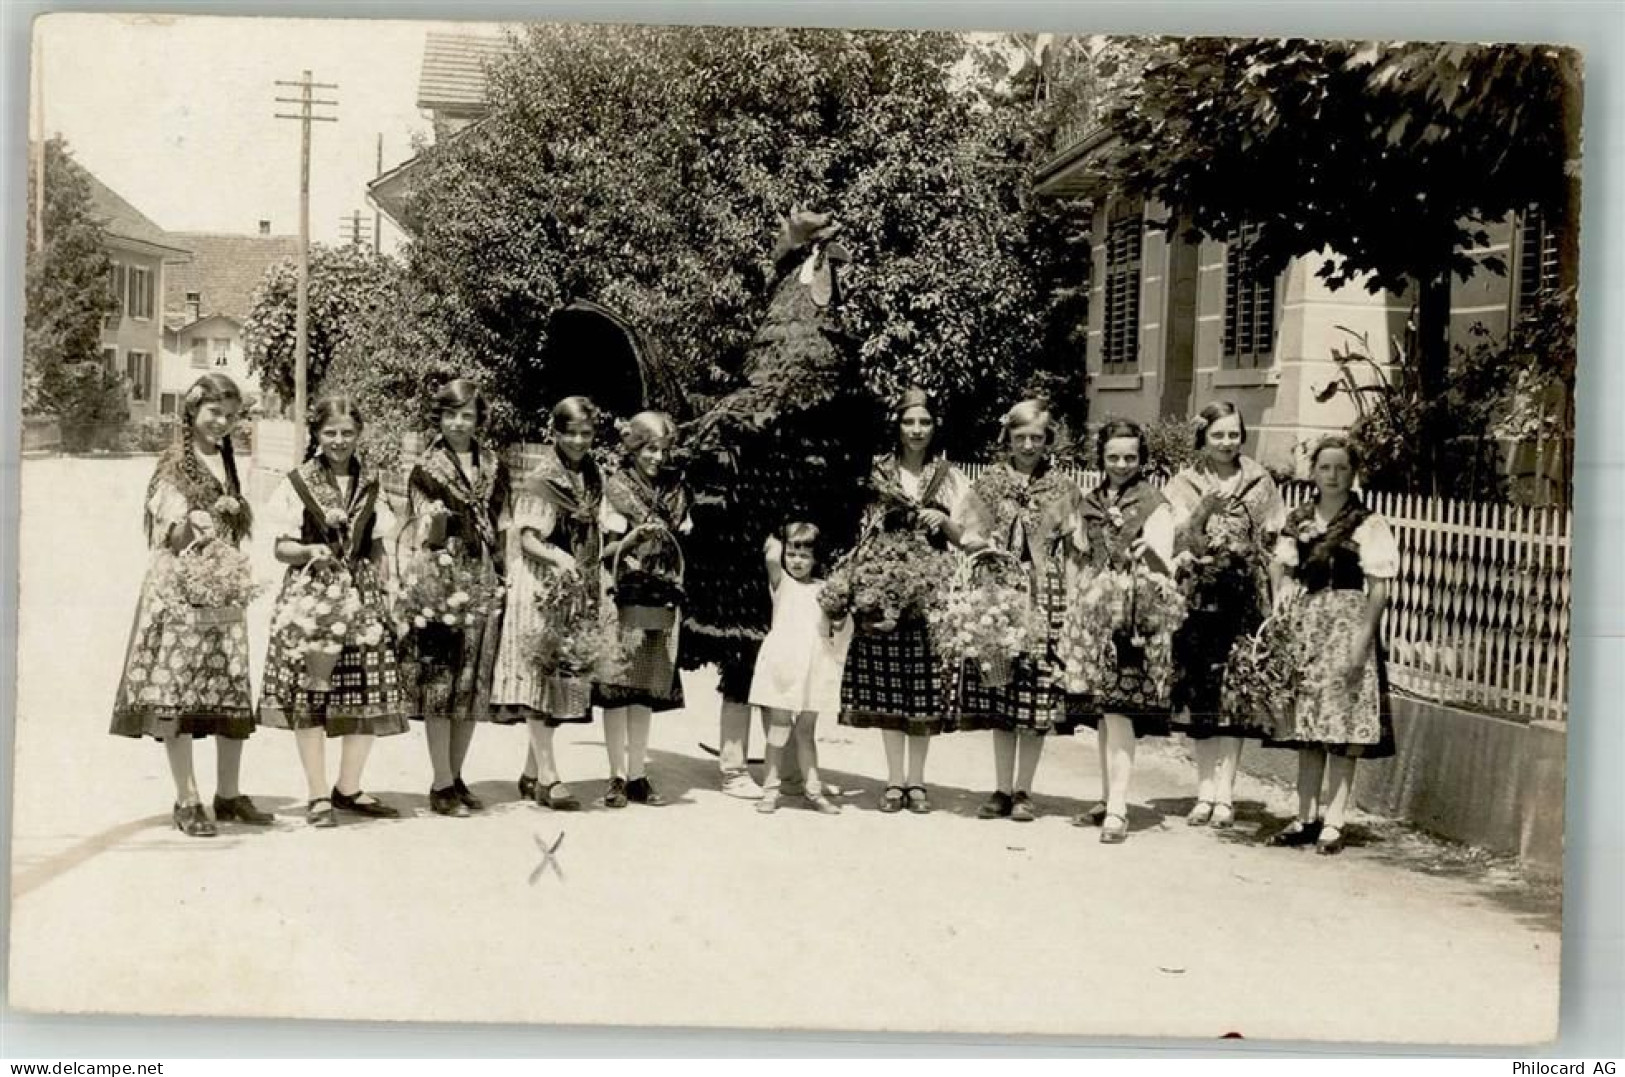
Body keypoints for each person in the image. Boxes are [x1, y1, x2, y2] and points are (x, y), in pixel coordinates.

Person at [111, 373, 271, 837]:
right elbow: (167, 531)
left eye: (229, 415)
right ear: (192, 413)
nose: (221, 423)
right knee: (178, 690)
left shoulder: (226, 460)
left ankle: (229, 793)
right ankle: (187, 798)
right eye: (213, 413)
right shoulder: (173, 465)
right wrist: (189, 521)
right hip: (180, 589)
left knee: (227, 686)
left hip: (220, 586)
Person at [257, 395, 406, 827]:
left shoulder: (372, 482)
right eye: (330, 433)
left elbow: (378, 545)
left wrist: (385, 589)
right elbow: (280, 548)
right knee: (313, 690)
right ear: (316, 436)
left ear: (359, 434)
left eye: (347, 433)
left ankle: (349, 787)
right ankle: (317, 793)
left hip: (361, 595)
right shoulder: (298, 482)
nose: (339, 441)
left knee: (365, 687)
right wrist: (307, 550)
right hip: (312, 598)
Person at [839, 386, 987, 814]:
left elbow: (974, 538)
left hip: (929, 592)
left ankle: (917, 783)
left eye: (924, 422)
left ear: (935, 426)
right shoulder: (876, 471)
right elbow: (860, 529)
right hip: (884, 588)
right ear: (897, 425)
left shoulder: (951, 476)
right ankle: (892, 781)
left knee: (921, 686)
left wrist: (945, 521)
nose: (917, 430)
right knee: (888, 684)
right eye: (909, 421)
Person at [1265, 436, 1399, 855]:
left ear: (1353, 472)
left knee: (1341, 726)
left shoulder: (1367, 523)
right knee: (1308, 725)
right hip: (1308, 625)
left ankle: (1335, 819)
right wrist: (1282, 613)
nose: (1333, 476)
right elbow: (1282, 568)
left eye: (1342, 468)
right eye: (1326, 467)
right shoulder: (1299, 517)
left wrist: (1362, 642)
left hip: (1346, 623)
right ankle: (1305, 815)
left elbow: (1378, 589)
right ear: (1314, 471)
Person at [954, 398, 1082, 823]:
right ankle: (1000, 788)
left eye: (1037, 438)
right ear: (1007, 438)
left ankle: (1025, 789)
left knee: (1035, 694)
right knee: (1001, 687)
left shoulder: (1062, 488)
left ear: (1048, 440)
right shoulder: (990, 483)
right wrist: (979, 543)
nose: (1028, 445)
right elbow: (967, 531)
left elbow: (1074, 546)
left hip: (1045, 593)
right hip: (999, 591)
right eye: (1020, 436)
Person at [1164, 401, 1286, 829]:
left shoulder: (1260, 481)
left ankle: (1226, 794)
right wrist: (1203, 512)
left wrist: (1274, 597)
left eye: (1233, 433)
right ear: (1203, 437)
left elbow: (1275, 540)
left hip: (1244, 598)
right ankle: (1203, 791)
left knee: (1236, 693)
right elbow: (1176, 541)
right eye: (1217, 434)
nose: (1226, 442)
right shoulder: (1184, 483)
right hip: (1199, 597)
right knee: (1203, 692)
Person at [1060, 419, 1178, 844]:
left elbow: (1165, 564)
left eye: (1130, 457)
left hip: (1132, 615)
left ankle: (1119, 809)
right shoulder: (1089, 502)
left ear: (1141, 458)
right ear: (1102, 458)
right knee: (1103, 711)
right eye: (1114, 457)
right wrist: (1074, 605)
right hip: (1093, 614)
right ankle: (1107, 797)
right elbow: (1077, 555)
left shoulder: (1154, 504)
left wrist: (1146, 560)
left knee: (1119, 708)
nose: (1122, 464)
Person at [400, 378, 511, 817]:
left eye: (467, 414)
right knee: (441, 682)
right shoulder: (426, 469)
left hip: (482, 576)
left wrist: (504, 571)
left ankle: (458, 776)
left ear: (479, 418)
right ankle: (439, 781)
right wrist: (434, 522)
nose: (459, 422)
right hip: (442, 579)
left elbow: (502, 523)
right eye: (451, 414)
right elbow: (421, 530)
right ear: (439, 418)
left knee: (472, 681)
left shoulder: (495, 466)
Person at [490, 396, 604, 812]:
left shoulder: (591, 476)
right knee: (541, 675)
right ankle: (550, 778)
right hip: (540, 585)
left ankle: (531, 772)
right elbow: (527, 538)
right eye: (569, 433)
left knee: (558, 678)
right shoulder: (543, 479)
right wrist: (559, 557)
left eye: (585, 433)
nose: (577, 440)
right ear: (554, 433)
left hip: (571, 584)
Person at [596, 411, 692, 808]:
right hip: (625, 592)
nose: (657, 457)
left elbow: (683, 540)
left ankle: (638, 773)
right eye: (650, 448)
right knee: (618, 686)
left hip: (659, 593)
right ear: (634, 447)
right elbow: (607, 551)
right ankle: (616, 775)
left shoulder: (675, 490)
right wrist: (634, 542)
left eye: (663, 449)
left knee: (645, 687)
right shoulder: (618, 488)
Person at [749, 524, 853, 815]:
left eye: (804, 555)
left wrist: (839, 613)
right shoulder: (781, 582)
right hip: (784, 662)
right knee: (779, 729)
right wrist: (784, 529)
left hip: (814, 664)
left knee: (806, 732)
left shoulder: (826, 589)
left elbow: (839, 627)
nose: (796, 561)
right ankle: (771, 790)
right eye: (792, 553)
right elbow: (771, 554)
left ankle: (813, 791)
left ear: (816, 558)